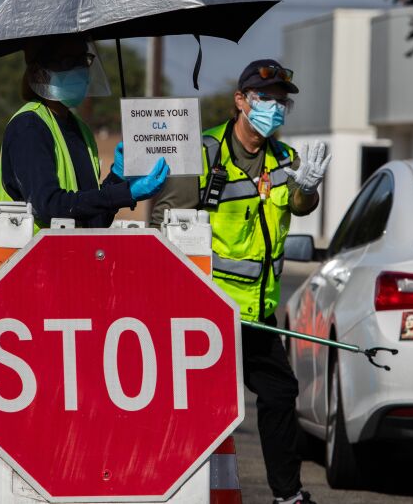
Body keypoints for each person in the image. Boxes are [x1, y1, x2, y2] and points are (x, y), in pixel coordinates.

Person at [151, 59, 331, 504]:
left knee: (280, 393)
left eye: (281, 101)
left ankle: (287, 496)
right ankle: (169, 488)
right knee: (201, 407)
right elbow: (164, 224)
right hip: (207, 307)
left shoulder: (285, 159)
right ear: (240, 101)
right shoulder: (203, 152)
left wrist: (307, 187)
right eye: (264, 98)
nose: (274, 107)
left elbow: (300, 205)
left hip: (257, 311)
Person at [0, 35, 169, 227]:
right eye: (68, 61)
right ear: (39, 72)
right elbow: (51, 207)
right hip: (29, 255)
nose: (79, 69)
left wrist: (118, 177)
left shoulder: (80, 129)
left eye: (83, 60)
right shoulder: (28, 127)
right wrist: (126, 193)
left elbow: (94, 219)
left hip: (74, 254)